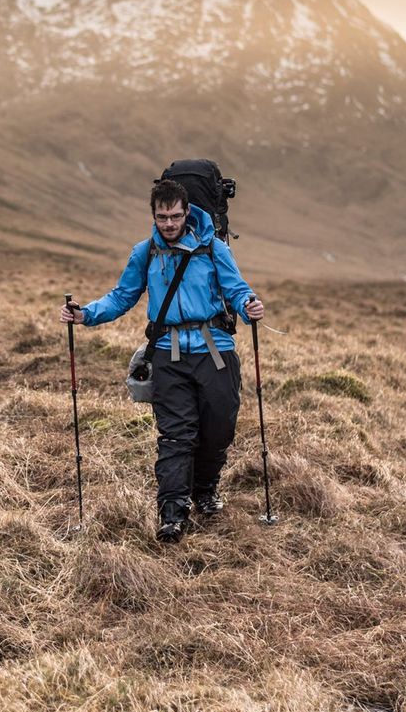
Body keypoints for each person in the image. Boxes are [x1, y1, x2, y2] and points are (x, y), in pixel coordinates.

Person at [59, 178, 265, 542]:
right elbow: (122, 296)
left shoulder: (214, 249)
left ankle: (205, 489)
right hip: (168, 356)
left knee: (218, 431)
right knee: (175, 436)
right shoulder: (145, 252)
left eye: (174, 216)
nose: (168, 224)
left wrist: (249, 308)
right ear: (153, 215)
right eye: (161, 217)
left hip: (214, 353)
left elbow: (236, 291)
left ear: (187, 212)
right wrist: (86, 314)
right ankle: (172, 513)